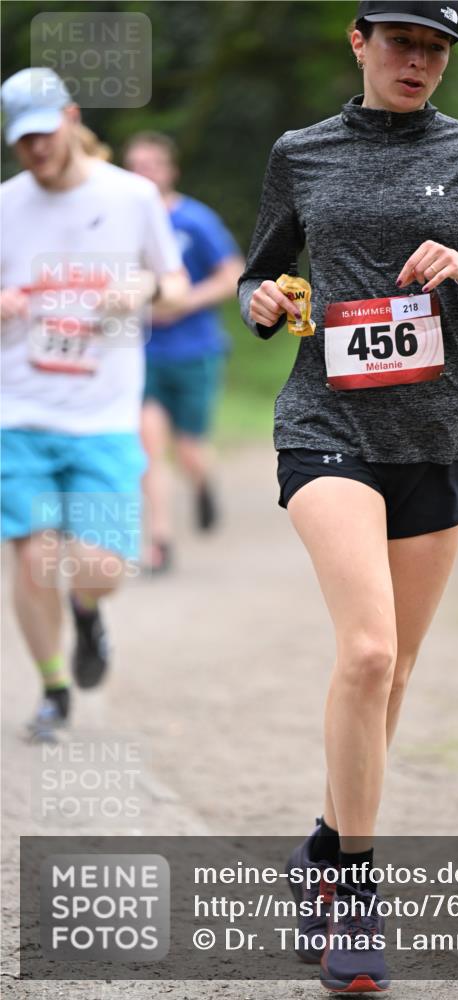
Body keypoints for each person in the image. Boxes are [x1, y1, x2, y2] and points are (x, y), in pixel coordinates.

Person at [238, 1, 458, 992]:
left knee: (397, 670)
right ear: (359, 42)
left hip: (435, 438)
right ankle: (358, 898)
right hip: (325, 424)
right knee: (367, 650)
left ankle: (324, 852)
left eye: (436, 49)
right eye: (402, 43)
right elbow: (263, 278)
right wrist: (264, 302)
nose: (419, 61)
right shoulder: (302, 152)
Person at [0, 68, 187, 740]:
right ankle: (53, 690)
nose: (36, 152)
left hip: (104, 413)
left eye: (45, 135)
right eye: (22, 142)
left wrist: (138, 289)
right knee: (31, 558)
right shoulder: (6, 205)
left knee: (102, 568)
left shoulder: (132, 196)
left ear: (71, 118)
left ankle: (87, 613)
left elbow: (173, 280)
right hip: (20, 410)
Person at [123, 132, 245, 573]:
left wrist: (182, 302)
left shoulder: (195, 220)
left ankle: (202, 481)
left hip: (195, 350)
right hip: (142, 352)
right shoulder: (121, 222)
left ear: (169, 170)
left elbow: (233, 273)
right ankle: (159, 543)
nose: (143, 173)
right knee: (147, 446)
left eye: (151, 164)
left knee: (188, 447)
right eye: (134, 165)